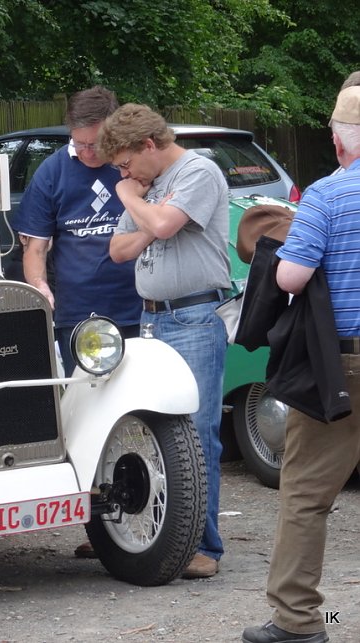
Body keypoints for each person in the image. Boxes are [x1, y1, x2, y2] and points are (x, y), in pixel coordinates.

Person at [241, 85, 360, 643]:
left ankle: (298, 622)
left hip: (345, 365)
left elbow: (290, 278)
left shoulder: (328, 195)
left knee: (307, 495)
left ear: (339, 143)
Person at [98, 103, 231, 579]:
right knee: (155, 434)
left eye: (126, 163)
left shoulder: (199, 171)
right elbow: (118, 250)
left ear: (148, 145)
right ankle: (163, 537)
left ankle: (204, 548)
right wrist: (145, 209)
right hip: (151, 318)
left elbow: (161, 227)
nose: (125, 173)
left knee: (196, 435)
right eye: (120, 171)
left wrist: (127, 196)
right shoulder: (150, 189)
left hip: (194, 317)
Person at [11, 86, 141, 377]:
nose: (86, 152)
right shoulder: (52, 171)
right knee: (84, 402)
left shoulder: (135, 165)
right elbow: (35, 248)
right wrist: (39, 287)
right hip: (78, 314)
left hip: (139, 308)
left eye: (95, 144)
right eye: (78, 143)